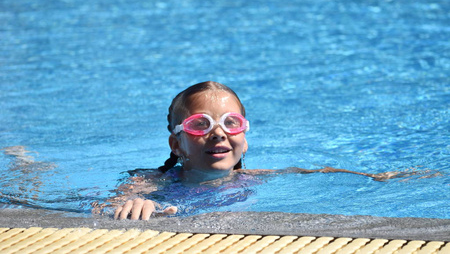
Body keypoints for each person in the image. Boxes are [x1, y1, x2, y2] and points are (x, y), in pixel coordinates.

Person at [111, 81, 401, 221]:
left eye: (231, 123)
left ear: (245, 141)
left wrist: (370, 176)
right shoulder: (156, 181)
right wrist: (136, 202)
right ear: (177, 144)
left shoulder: (252, 178)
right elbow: (113, 201)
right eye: (201, 124)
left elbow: (310, 173)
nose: (219, 133)